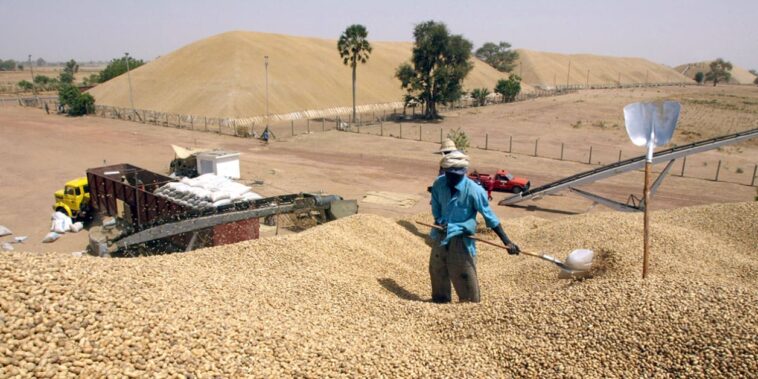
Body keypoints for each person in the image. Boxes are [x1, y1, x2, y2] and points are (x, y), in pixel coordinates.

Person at [429, 151, 520, 303]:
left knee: (464, 274)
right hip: (441, 234)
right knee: (437, 270)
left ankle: (470, 306)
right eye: (450, 174)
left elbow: (490, 217)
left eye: (457, 175)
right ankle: (440, 302)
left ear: (464, 172)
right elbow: (436, 206)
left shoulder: (474, 190)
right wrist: (439, 220)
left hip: (461, 238)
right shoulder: (439, 183)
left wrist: (507, 242)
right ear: (445, 171)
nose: (452, 178)